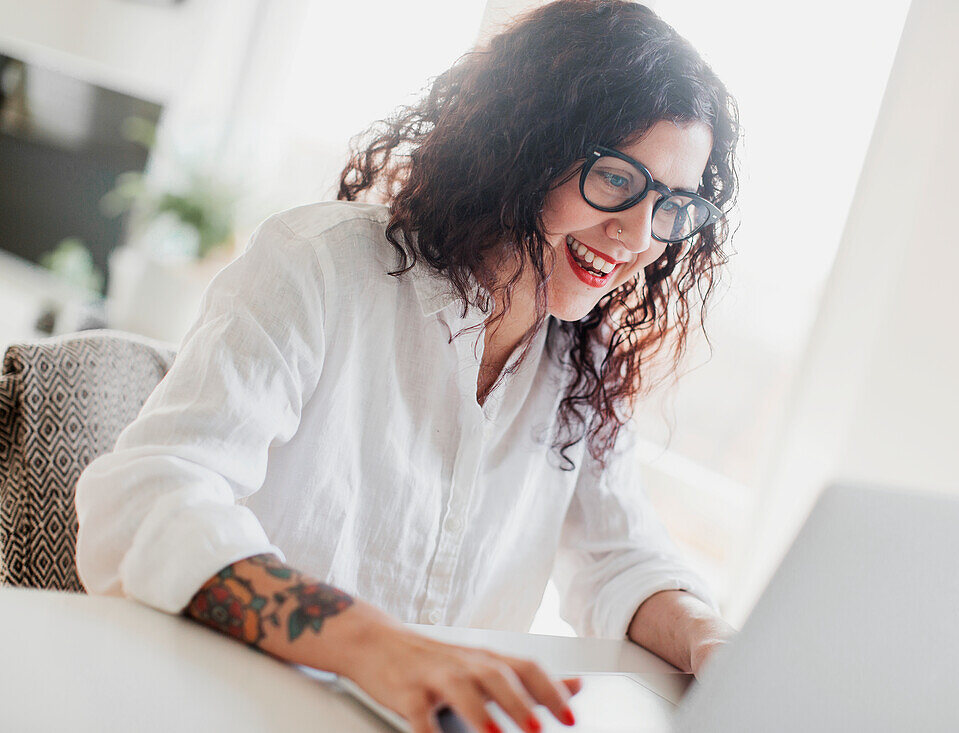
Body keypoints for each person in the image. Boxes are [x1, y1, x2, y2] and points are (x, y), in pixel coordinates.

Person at [74, 1, 740, 732]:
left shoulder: (580, 362)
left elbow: (621, 559)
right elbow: (144, 499)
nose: (640, 236)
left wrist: (711, 639)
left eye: (674, 206)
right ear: (528, 143)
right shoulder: (319, 266)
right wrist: (376, 647)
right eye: (616, 179)